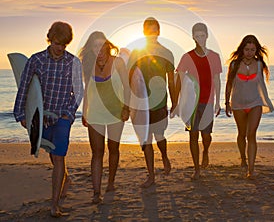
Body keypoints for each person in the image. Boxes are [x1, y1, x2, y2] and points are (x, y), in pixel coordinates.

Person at [13, 21, 84, 217]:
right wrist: (21, 114)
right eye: (56, 43)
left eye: (63, 44)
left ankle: (55, 204)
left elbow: (78, 92)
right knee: (53, 155)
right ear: (50, 39)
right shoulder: (36, 60)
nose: (59, 48)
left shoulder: (73, 62)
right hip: (42, 118)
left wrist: (68, 114)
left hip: (62, 117)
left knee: (59, 156)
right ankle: (65, 179)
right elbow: (25, 87)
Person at [79, 31, 130, 203]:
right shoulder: (87, 65)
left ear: (108, 46)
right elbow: (87, 90)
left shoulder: (118, 63)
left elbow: (127, 87)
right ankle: (96, 192)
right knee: (97, 153)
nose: (99, 49)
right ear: (90, 49)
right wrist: (84, 111)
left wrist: (127, 108)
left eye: (102, 45)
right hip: (95, 113)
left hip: (116, 112)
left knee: (113, 149)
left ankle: (111, 182)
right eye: (95, 46)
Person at [127, 17, 176, 188]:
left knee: (159, 136)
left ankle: (164, 156)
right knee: (146, 141)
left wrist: (175, 102)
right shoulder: (136, 53)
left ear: (159, 32)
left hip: (159, 103)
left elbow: (172, 81)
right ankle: (151, 175)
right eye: (148, 31)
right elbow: (129, 79)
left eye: (154, 30)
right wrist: (127, 104)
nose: (151, 34)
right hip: (140, 105)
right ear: (144, 32)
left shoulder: (167, 53)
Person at [175, 22, 222, 180]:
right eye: (197, 36)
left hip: (208, 101)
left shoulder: (214, 56)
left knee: (206, 135)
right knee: (193, 135)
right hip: (192, 103)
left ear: (207, 36)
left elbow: (217, 79)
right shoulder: (187, 57)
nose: (200, 38)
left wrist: (217, 102)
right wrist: (179, 103)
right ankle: (196, 169)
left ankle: (206, 151)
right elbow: (180, 79)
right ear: (193, 37)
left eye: (203, 35)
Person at [225, 34, 274, 179]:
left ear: (256, 50)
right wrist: (227, 103)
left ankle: (251, 170)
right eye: (247, 49)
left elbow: (261, 86)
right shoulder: (234, 65)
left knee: (251, 135)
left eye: (252, 50)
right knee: (242, 134)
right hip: (238, 104)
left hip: (255, 103)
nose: (249, 52)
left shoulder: (259, 65)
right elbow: (229, 85)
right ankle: (243, 158)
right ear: (242, 49)